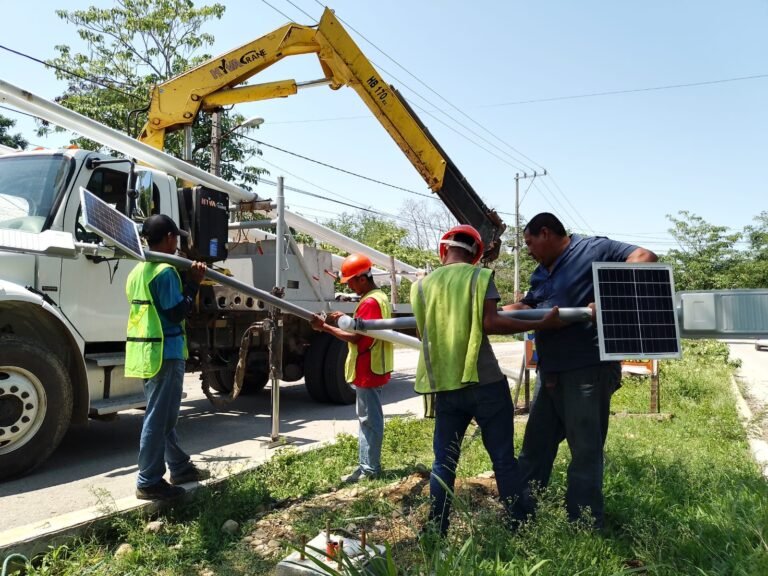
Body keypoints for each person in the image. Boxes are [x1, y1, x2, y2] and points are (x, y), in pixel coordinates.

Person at [505, 212, 657, 529]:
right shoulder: (540, 274)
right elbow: (531, 306)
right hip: (551, 374)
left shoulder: (593, 250)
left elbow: (644, 257)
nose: (529, 250)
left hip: (587, 371)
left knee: (584, 452)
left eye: (529, 242)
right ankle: (521, 517)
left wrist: (609, 299)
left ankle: (584, 525)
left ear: (545, 233)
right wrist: (495, 311)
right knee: (535, 449)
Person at [411, 225, 562, 537]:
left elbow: (422, 330)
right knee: (503, 459)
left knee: (443, 463)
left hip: (447, 387)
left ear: (443, 250)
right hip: (485, 384)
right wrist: (543, 324)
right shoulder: (479, 277)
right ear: (476, 253)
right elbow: (491, 322)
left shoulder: (421, 287)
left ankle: (436, 530)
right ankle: (519, 525)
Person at [125, 214, 210, 500]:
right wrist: (194, 283)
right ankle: (148, 480)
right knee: (159, 418)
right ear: (171, 238)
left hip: (146, 351)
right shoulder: (165, 271)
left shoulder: (138, 271)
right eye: (176, 239)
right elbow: (176, 312)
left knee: (163, 415)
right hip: (165, 351)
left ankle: (180, 467)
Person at [311, 253, 394, 483]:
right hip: (374, 366)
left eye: (350, 281)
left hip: (368, 368)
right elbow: (363, 328)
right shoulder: (378, 297)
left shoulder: (368, 302)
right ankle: (366, 466)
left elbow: (357, 339)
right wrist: (345, 318)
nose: (349, 286)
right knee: (368, 419)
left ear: (362, 278)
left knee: (369, 420)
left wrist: (325, 327)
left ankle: (369, 470)